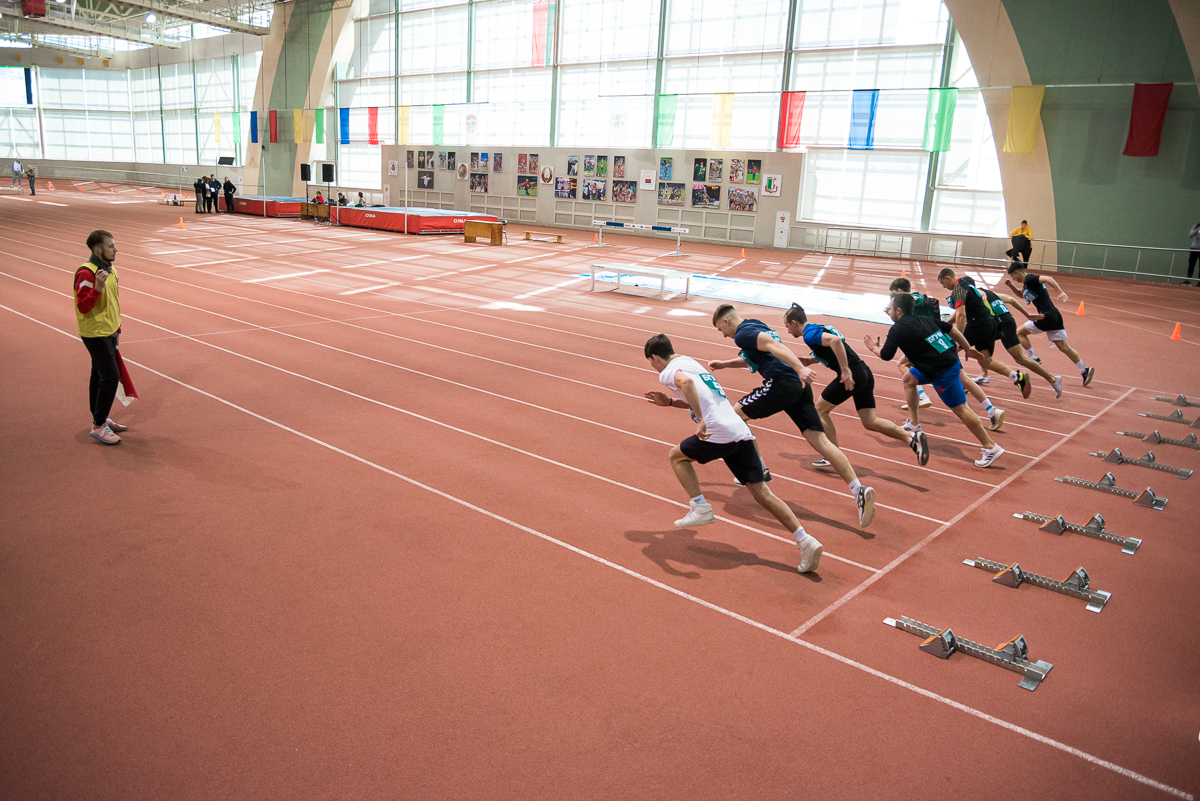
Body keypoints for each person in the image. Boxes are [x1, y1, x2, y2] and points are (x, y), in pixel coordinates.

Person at [643, 334, 824, 573]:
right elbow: (703, 395)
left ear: (656, 357)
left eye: (650, 361)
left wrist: (699, 420)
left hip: (719, 431)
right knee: (762, 493)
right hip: (739, 428)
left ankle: (700, 507)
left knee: (676, 456)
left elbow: (686, 384)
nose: (652, 366)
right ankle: (805, 540)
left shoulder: (667, 371)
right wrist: (669, 403)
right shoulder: (691, 362)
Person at [708, 304, 876, 528]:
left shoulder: (742, 334)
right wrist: (725, 364)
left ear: (726, 321)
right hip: (799, 386)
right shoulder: (756, 325)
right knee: (820, 440)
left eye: (721, 329)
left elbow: (772, 346)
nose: (724, 335)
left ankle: (759, 469)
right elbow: (762, 354)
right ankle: (859, 490)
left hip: (782, 384)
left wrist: (800, 367)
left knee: (734, 415)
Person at [864, 293, 1005, 468]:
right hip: (943, 361)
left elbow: (886, 356)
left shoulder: (897, 329)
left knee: (962, 409)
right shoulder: (922, 319)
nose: (889, 311)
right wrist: (967, 348)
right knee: (909, 379)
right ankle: (914, 425)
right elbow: (951, 330)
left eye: (891, 308)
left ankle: (990, 446)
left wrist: (874, 349)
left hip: (941, 370)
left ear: (898, 310)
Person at [782, 303, 928, 467]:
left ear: (795, 322)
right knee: (870, 421)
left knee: (820, 410)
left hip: (852, 374)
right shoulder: (818, 327)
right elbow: (836, 347)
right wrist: (810, 360)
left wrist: (845, 371)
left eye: (787, 326)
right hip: (863, 371)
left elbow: (836, 342)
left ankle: (833, 455)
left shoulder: (809, 335)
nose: (788, 331)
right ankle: (911, 438)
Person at [959, 275, 1063, 399]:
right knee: (982, 353)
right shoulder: (986, 291)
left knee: (1019, 358)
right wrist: (1027, 315)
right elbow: (1010, 299)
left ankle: (1052, 379)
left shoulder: (978, 295)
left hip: (1002, 323)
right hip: (998, 323)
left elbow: (968, 311)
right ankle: (984, 374)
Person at [937, 268, 1031, 399]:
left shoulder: (958, 290)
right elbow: (959, 313)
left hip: (977, 325)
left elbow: (962, 316)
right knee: (985, 361)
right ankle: (1017, 377)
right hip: (990, 324)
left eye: (943, 283)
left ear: (947, 278)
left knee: (947, 351)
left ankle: (959, 385)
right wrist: (945, 324)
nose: (944, 287)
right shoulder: (967, 285)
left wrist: (960, 337)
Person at [74, 230, 128, 445]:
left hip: (110, 330)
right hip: (95, 333)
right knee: (110, 376)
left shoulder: (110, 269)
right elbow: (83, 306)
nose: (116, 249)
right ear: (98, 250)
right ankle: (98, 426)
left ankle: (101, 419)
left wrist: (117, 327)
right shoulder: (86, 273)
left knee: (98, 375)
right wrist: (97, 288)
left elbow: (113, 301)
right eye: (111, 246)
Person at [1005, 263, 1095, 386]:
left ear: (1017, 272)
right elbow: (1022, 295)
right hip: (1055, 316)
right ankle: (1084, 370)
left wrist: (1060, 292)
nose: (1012, 278)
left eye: (1012, 275)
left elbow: (1049, 278)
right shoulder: (1027, 284)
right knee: (1063, 346)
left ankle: (1034, 358)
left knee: (1019, 333)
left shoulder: (1031, 279)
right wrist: (1011, 286)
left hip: (1045, 317)